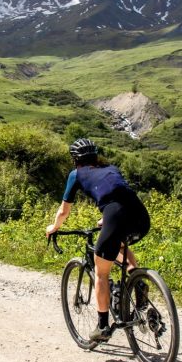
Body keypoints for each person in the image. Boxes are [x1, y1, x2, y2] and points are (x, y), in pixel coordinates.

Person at [46, 138, 150, 342]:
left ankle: (102, 326)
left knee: (101, 272)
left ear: (76, 159)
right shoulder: (111, 168)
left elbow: (64, 211)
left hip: (115, 215)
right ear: (95, 156)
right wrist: (108, 219)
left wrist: (54, 227)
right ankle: (136, 280)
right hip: (140, 216)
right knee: (119, 244)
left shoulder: (76, 175)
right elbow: (119, 196)